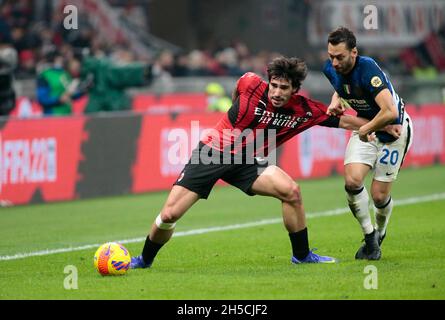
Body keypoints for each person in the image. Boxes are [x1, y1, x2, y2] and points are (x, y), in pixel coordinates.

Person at [130, 56, 385, 270]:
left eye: (284, 88)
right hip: (213, 153)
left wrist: (384, 124)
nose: (276, 92)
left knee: (291, 192)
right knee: (169, 214)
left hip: (247, 160)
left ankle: (302, 255)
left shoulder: (305, 110)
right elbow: (237, 92)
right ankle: (144, 260)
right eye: (273, 85)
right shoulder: (250, 83)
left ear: (295, 89)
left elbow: (346, 122)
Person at [323, 27, 413, 260]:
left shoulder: (368, 68)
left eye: (340, 57)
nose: (334, 62)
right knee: (352, 181)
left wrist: (364, 128)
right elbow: (341, 86)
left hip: (394, 132)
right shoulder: (330, 68)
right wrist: (336, 100)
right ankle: (370, 237)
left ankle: (381, 232)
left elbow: (390, 111)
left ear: (354, 52)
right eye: (331, 56)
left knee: (379, 197)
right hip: (367, 128)